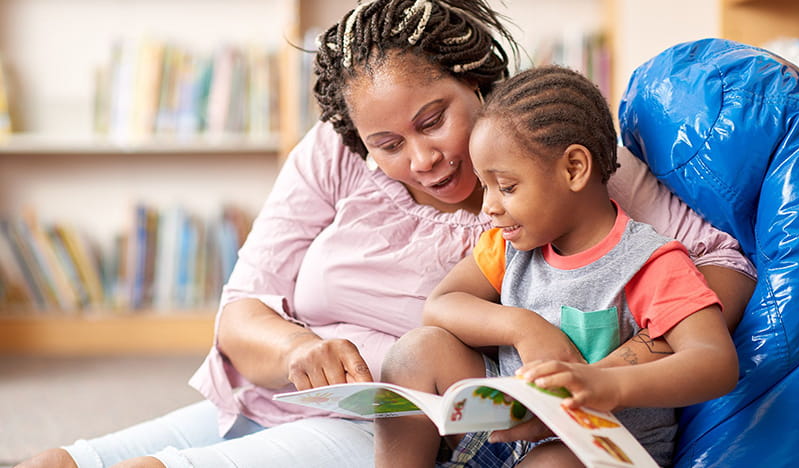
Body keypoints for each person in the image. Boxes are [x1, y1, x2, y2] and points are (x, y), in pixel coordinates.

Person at [16, 1, 755, 467]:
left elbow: (717, 265)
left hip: (391, 423)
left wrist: (623, 358)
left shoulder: (552, 159)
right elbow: (242, 312)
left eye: (435, 120)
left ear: (478, 81)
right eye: (388, 142)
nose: (422, 158)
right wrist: (300, 349)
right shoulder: (336, 155)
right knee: (62, 460)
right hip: (276, 394)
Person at [373, 65, 739, 468]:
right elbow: (441, 304)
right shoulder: (509, 243)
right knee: (415, 352)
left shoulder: (649, 262)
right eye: (485, 185)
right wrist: (522, 327)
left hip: (594, 448)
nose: (489, 206)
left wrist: (607, 384)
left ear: (574, 169)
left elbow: (715, 362)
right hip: (508, 435)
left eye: (507, 187)